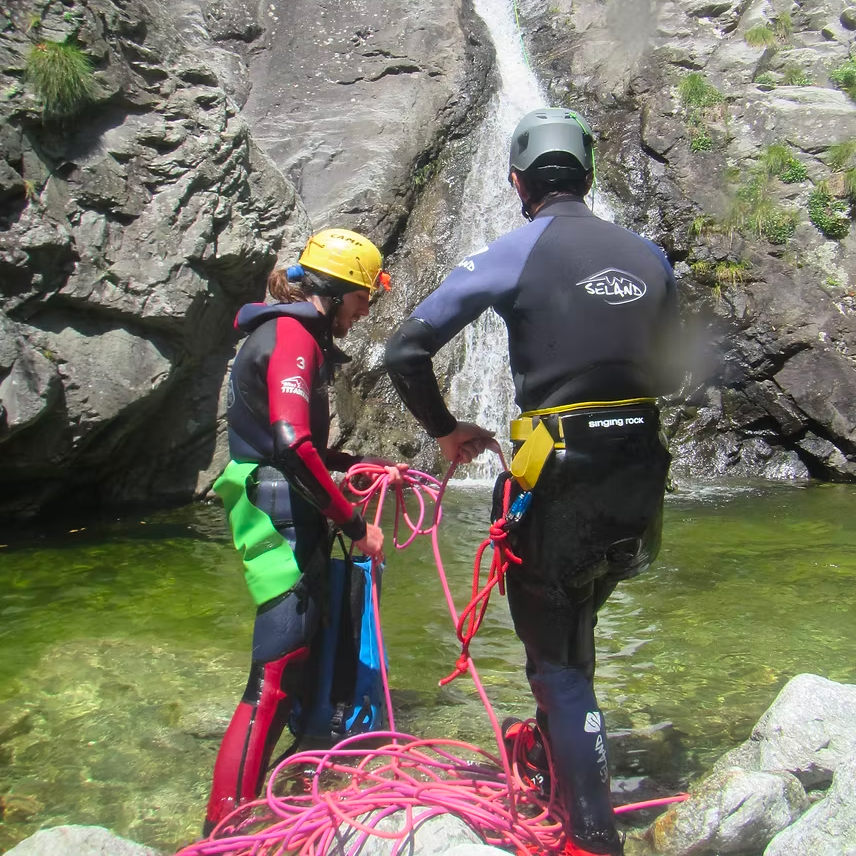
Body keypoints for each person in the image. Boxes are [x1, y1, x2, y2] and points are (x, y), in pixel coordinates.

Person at [383, 107, 682, 856]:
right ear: (589, 174)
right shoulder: (650, 256)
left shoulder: (515, 249)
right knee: (575, 633)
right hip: (642, 475)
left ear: (518, 182)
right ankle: (557, 756)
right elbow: (673, 371)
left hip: (562, 477)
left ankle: (590, 835)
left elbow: (405, 349)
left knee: (555, 660)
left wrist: (444, 429)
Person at [204, 228, 404, 835]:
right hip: (278, 513)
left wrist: (356, 464)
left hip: (282, 505)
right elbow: (291, 445)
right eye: (362, 298)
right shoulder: (292, 336)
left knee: (289, 667)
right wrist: (357, 525)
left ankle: (256, 808)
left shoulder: (295, 334)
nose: (363, 312)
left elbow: (296, 443)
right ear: (336, 290)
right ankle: (225, 829)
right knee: (273, 674)